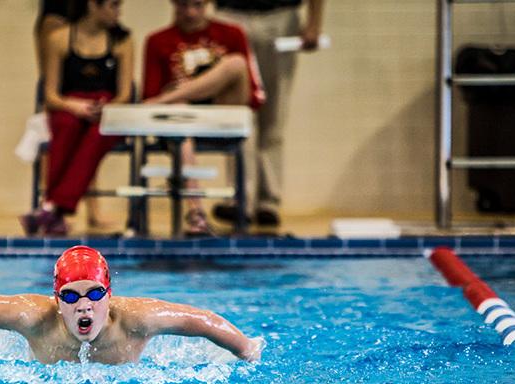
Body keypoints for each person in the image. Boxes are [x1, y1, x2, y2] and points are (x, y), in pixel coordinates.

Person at [0, 245, 262, 365]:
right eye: (71, 296)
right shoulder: (32, 317)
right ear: (56, 299)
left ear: (109, 296)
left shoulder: (137, 320)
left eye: (94, 294)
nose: (84, 306)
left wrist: (246, 350)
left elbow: (201, 320)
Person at [142, 0, 265, 237]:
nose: (190, 13)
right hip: (182, 120)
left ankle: (242, 207)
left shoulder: (232, 33)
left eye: (197, 5)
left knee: (236, 63)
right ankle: (196, 214)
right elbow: (150, 96)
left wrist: (187, 89)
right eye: (183, 6)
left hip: (223, 114)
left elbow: (250, 92)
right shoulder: (157, 41)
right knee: (178, 110)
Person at [21, 0, 133, 237]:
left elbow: (125, 95)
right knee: (65, 124)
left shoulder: (123, 41)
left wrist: (106, 107)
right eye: (113, 5)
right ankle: (56, 210)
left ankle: (52, 207)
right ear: (93, 5)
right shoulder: (59, 39)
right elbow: (51, 95)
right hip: (70, 106)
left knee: (98, 133)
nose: (118, 12)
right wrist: (74, 105)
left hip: (108, 111)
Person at [213, 0, 325, 229]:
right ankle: (239, 198)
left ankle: (268, 202)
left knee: (273, 115)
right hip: (230, 14)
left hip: (280, 16)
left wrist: (314, 22)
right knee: (237, 117)